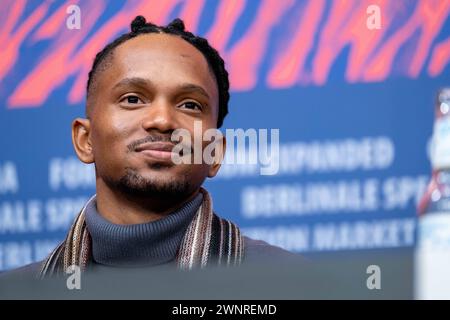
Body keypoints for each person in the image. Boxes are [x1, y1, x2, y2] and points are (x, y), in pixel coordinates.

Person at [1, 15, 300, 281]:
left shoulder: (292, 283)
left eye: (189, 105)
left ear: (215, 152)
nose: (162, 120)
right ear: (85, 139)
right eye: (132, 99)